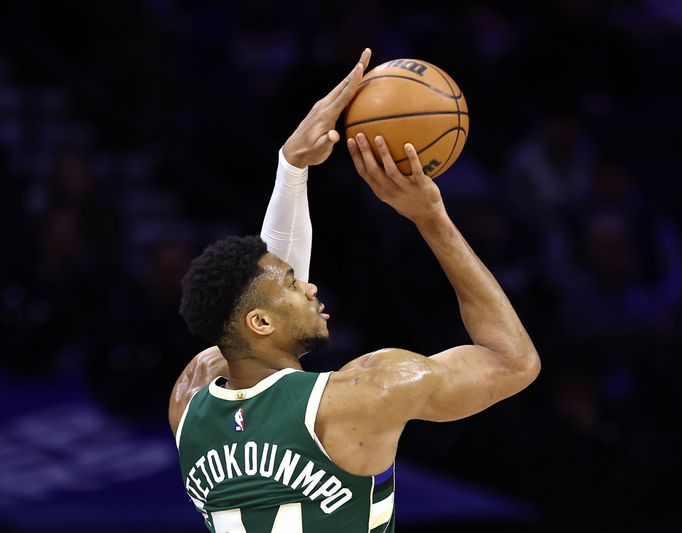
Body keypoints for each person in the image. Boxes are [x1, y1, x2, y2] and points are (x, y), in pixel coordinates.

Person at [168, 48, 540, 533]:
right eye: (293, 285)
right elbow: (513, 361)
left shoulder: (190, 400)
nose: (310, 285)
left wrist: (291, 168)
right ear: (260, 322)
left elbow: (252, 313)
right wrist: (431, 219)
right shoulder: (367, 392)